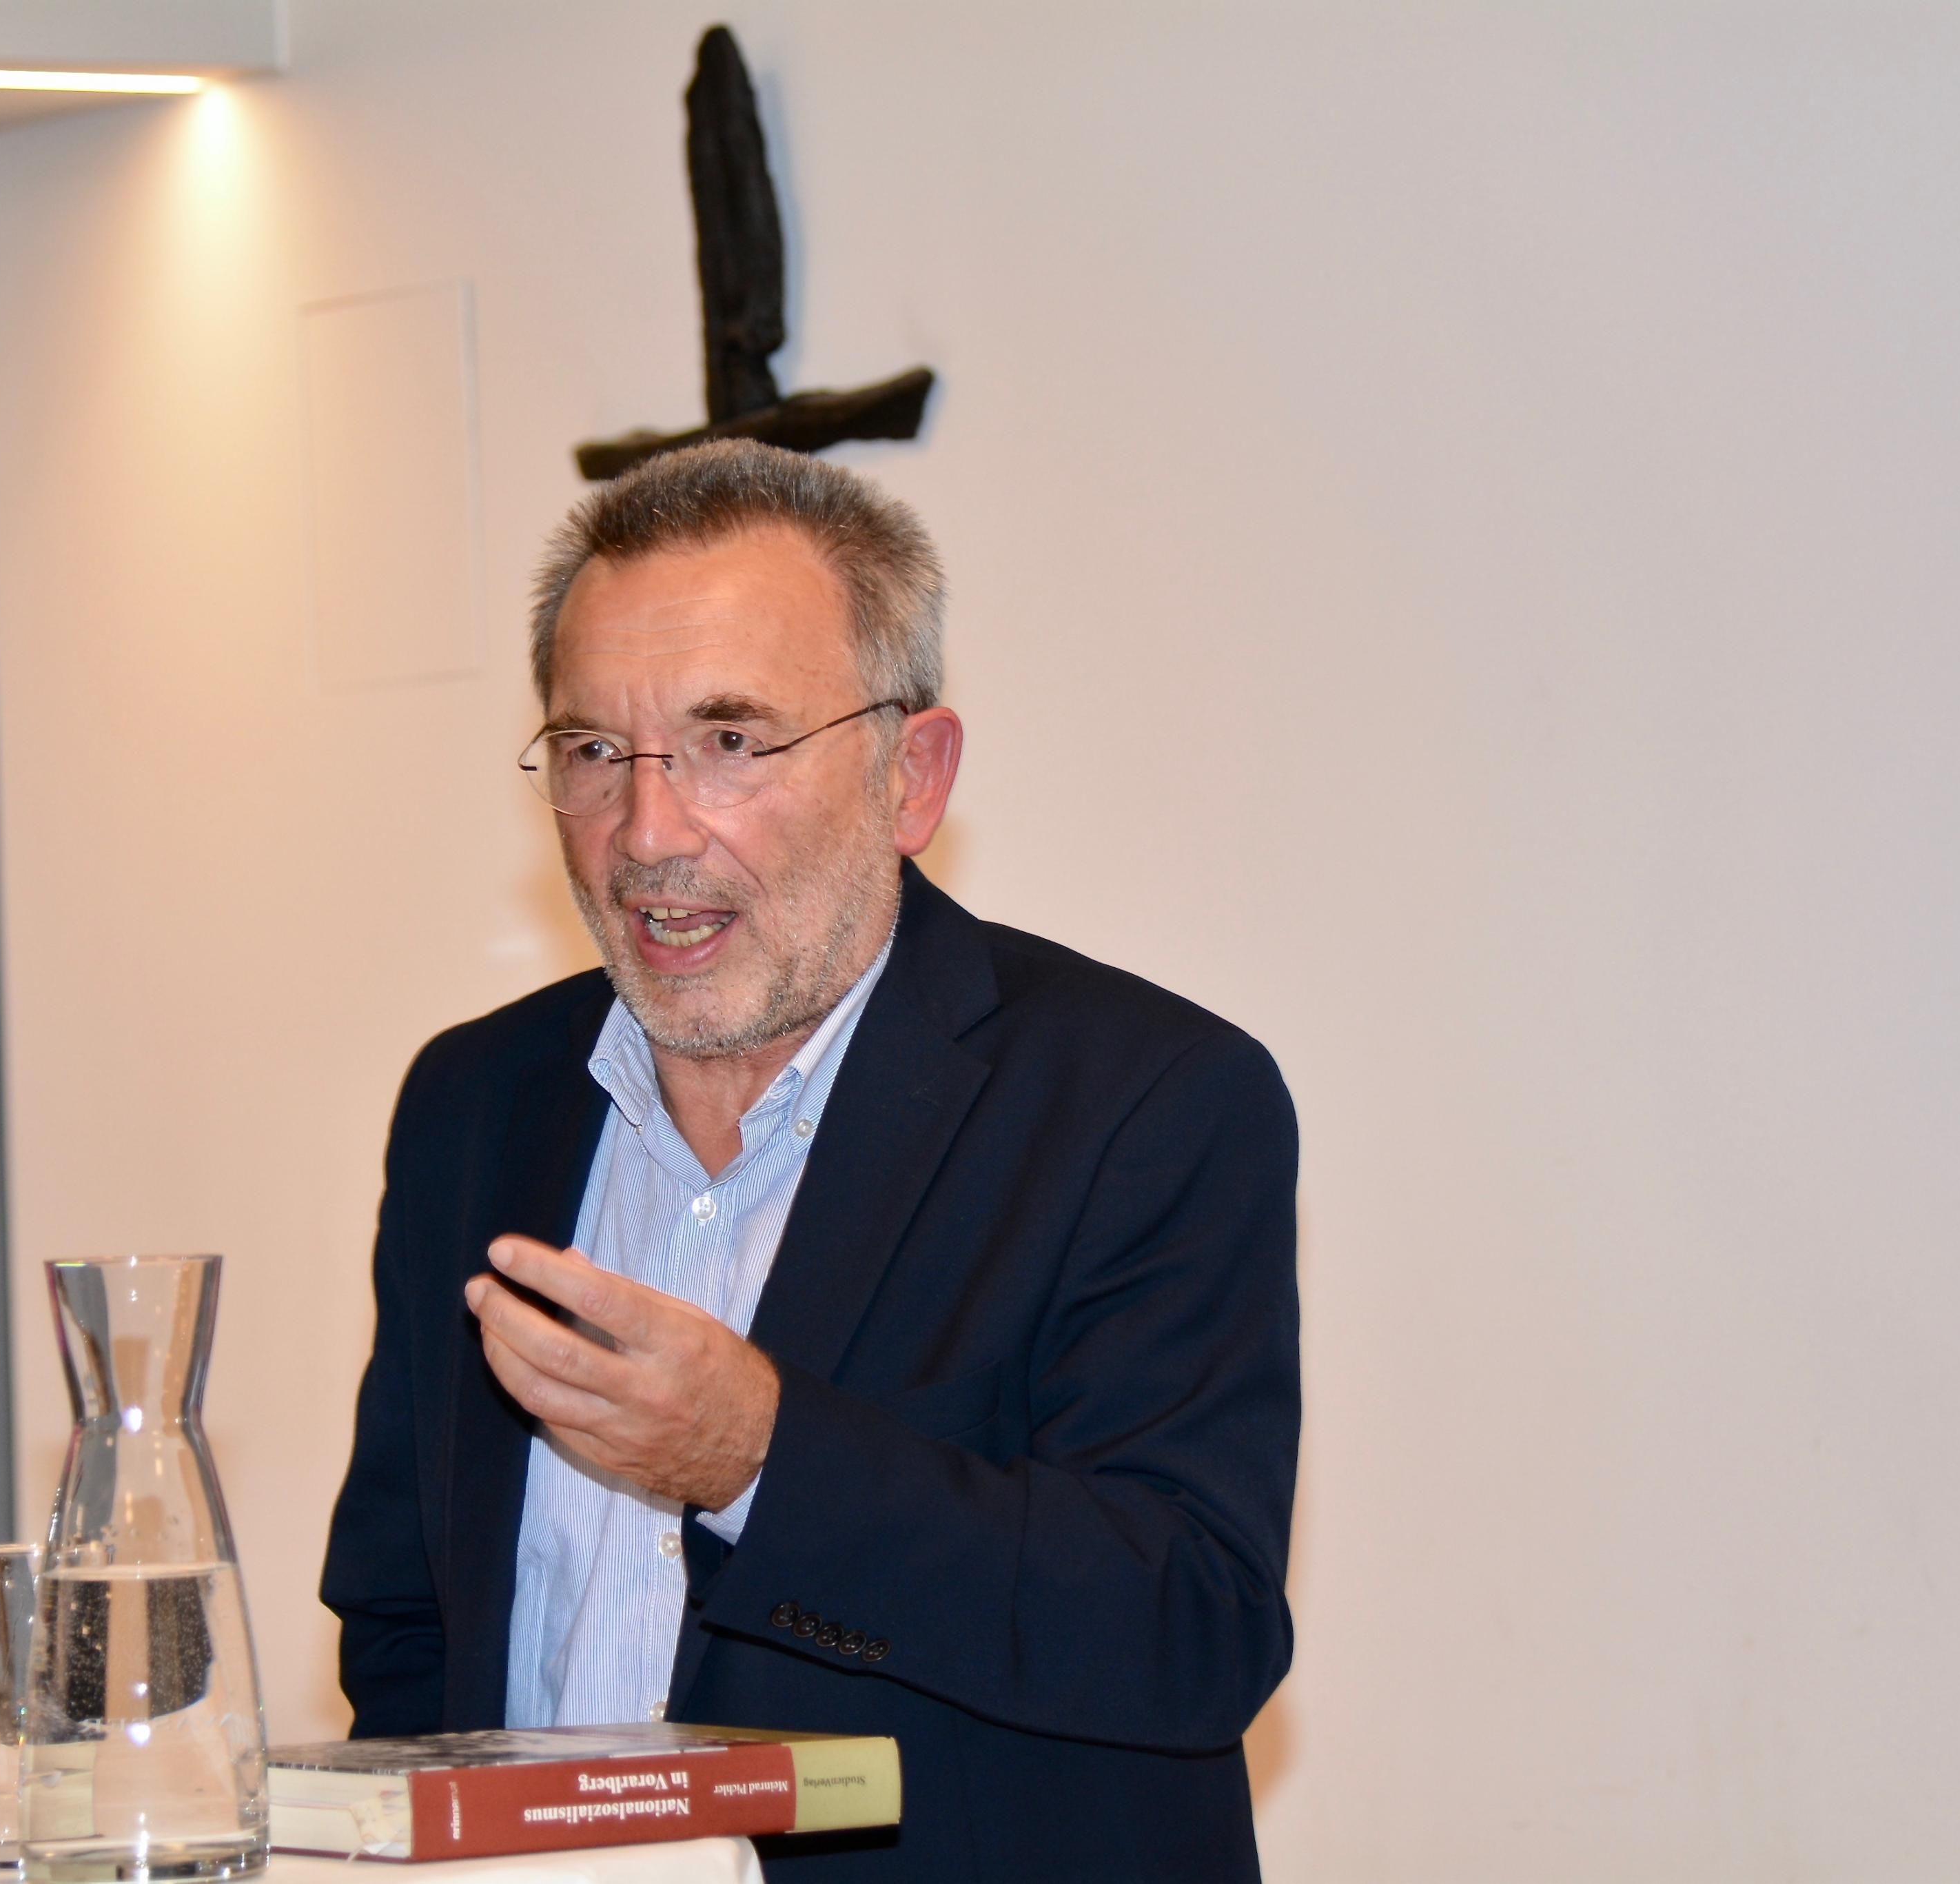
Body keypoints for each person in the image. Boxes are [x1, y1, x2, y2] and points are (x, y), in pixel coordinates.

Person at [320, 440, 1300, 1881]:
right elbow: (408, 1619)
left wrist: (761, 1460)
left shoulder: (1143, 1100)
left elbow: (1190, 1628)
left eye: (730, 741)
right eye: (594, 751)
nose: (647, 830)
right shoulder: (473, 1103)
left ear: (911, 775)